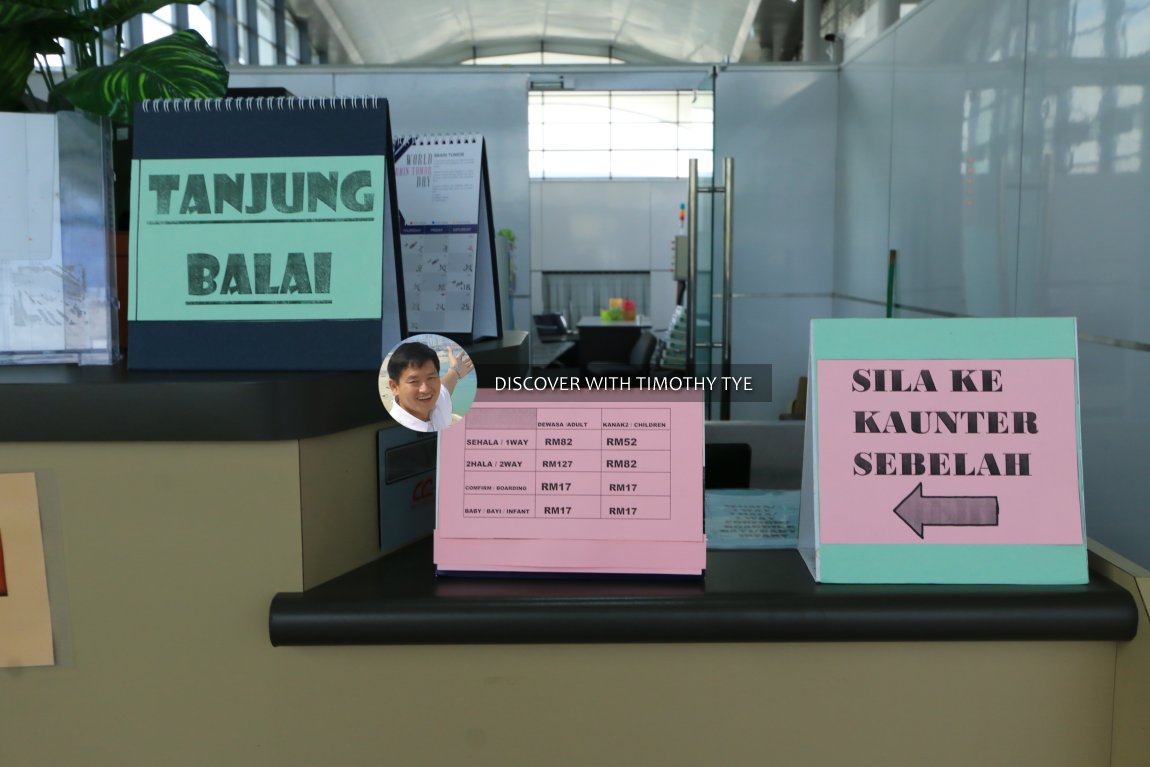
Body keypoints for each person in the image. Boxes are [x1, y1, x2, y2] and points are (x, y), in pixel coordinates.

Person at [385, 341, 473, 432]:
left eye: (431, 378)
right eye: (414, 381)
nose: (425, 389)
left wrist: (456, 370)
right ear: (394, 387)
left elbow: (447, 384)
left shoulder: (437, 402)